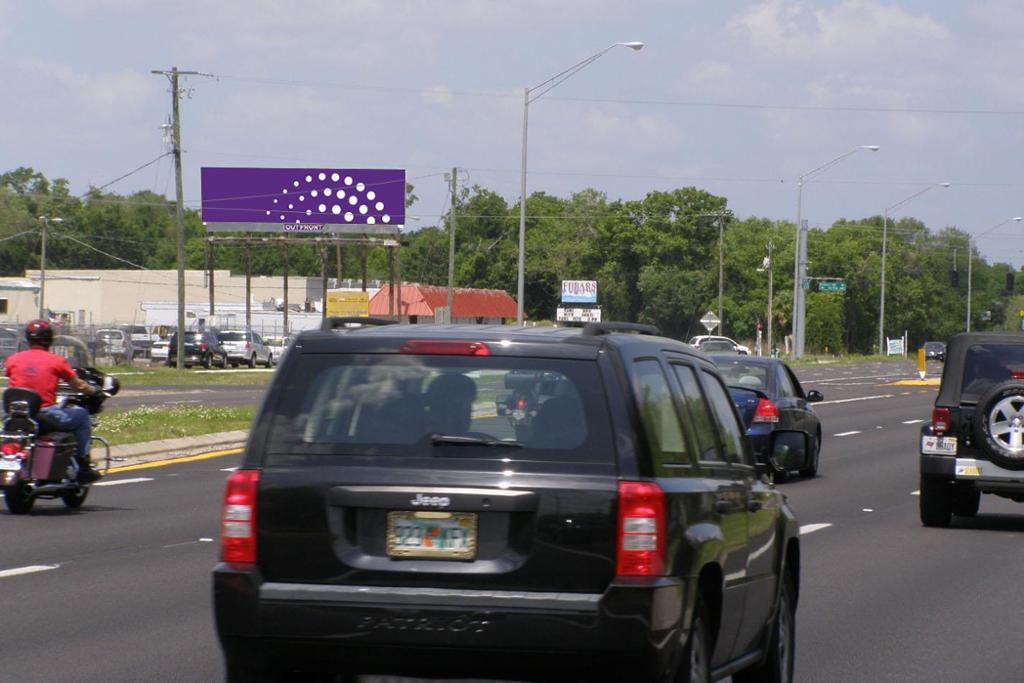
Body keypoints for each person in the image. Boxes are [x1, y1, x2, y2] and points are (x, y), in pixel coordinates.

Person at [4, 319, 103, 483]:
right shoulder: (56, 361)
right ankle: (83, 464)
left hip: (14, 415)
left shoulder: (13, 359)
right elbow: (78, 385)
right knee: (82, 416)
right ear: (49, 339)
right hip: (44, 414)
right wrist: (94, 391)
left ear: (28, 339)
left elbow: (15, 376)